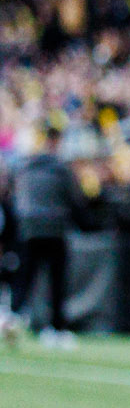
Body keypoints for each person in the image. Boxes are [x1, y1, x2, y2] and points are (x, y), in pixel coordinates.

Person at [10, 122, 83, 341]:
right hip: (55, 229)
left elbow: (16, 199)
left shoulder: (25, 167)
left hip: (28, 229)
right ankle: (55, 328)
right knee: (56, 281)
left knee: (25, 277)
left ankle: (13, 317)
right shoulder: (61, 169)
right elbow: (76, 201)